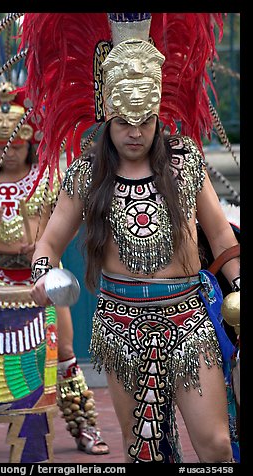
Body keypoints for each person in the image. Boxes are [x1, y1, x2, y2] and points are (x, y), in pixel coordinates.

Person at [21, 13, 240, 463]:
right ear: (107, 111)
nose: (135, 133)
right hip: (120, 325)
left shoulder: (185, 162)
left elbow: (220, 236)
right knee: (142, 451)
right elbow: (48, 244)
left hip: (187, 320)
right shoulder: (87, 173)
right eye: (124, 122)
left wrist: (239, 285)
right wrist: (44, 276)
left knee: (215, 444)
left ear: (158, 112)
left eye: (144, 120)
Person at [0, 81, 109, 459]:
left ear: (29, 142)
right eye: (2, 146)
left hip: (41, 276)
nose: (9, 151)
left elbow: (63, 226)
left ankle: (83, 426)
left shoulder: (48, 176)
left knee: (63, 351)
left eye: (15, 145)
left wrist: (43, 247)